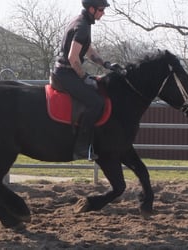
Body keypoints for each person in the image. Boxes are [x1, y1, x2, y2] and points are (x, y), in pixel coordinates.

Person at [53, 0, 119, 161]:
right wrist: (84, 77)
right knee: (96, 102)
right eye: (101, 10)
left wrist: (105, 64)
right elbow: (73, 57)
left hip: (67, 72)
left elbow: (88, 51)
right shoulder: (82, 27)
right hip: (66, 74)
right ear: (91, 9)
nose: (103, 13)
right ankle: (81, 148)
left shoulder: (82, 22)